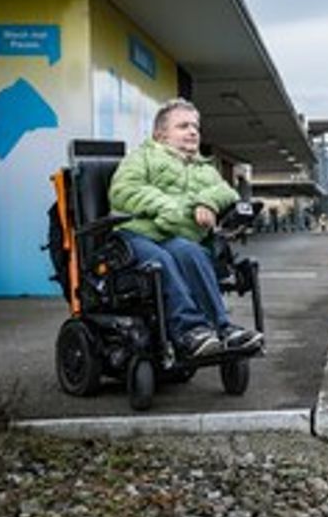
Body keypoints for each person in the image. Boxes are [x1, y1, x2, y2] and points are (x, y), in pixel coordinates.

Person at [108, 98, 263, 358]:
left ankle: (223, 329)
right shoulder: (141, 157)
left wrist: (208, 201)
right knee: (162, 260)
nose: (192, 132)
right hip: (139, 234)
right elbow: (123, 191)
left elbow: (226, 191)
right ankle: (190, 331)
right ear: (160, 134)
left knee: (193, 253)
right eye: (183, 126)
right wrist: (168, 206)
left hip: (176, 237)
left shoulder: (205, 168)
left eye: (195, 127)